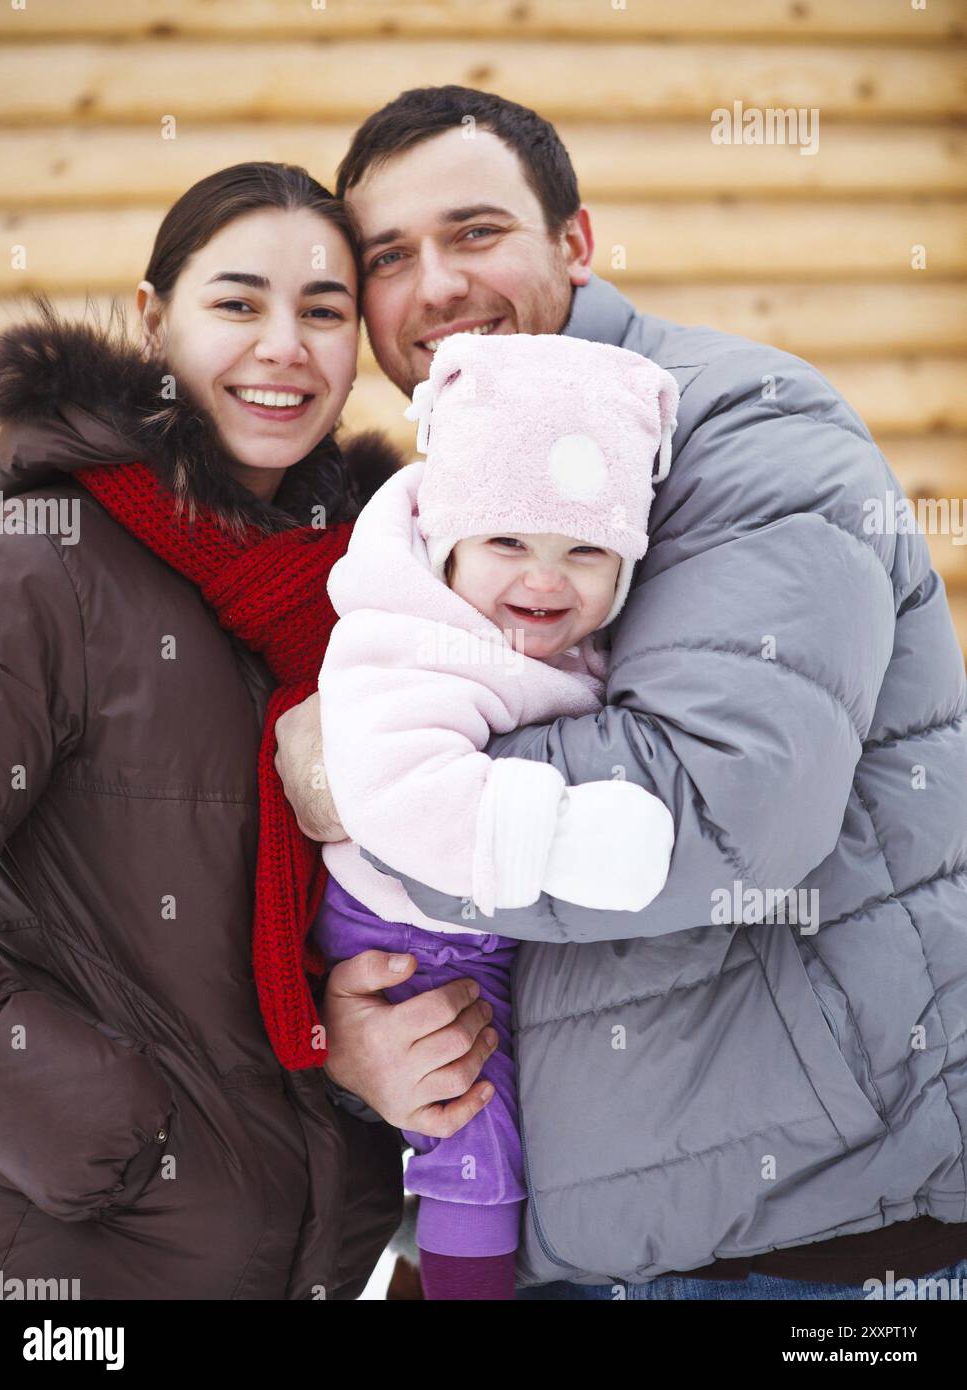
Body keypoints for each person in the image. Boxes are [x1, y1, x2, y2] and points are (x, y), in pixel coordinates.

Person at [276, 87, 967, 1298]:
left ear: (575, 244)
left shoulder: (744, 427)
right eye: (390, 255)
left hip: (809, 1240)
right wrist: (366, 1017)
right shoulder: (434, 505)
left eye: (476, 231)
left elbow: (717, 810)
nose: (435, 284)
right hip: (599, 1239)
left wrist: (378, 787)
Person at [0, 162, 403, 1299]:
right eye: (237, 302)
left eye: (323, 311)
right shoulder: (42, 568)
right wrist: (113, 1132)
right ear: (155, 320)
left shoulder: (353, 597)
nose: (284, 346)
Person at [281, 330, 679, 1299]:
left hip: (480, 925)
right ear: (449, 538)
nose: (543, 581)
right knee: (474, 1132)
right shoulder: (411, 636)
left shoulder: (554, 632)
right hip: (409, 932)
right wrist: (554, 833)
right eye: (506, 542)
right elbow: (395, 792)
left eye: (585, 551)